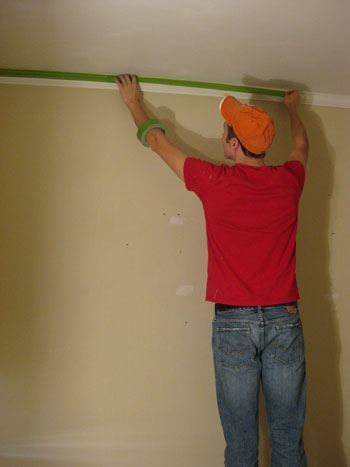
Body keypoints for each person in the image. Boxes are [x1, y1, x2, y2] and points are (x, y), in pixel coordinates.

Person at [115, 74, 308, 467]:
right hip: (284, 321)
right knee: (288, 439)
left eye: (225, 129)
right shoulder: (290, 181)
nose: (222, 133)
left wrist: (133, 103)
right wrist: (292, 111)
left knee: (240, 444)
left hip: (234, 323)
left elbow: (157, 142)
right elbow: (302, 146)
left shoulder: (215, 181)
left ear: (234, 145)